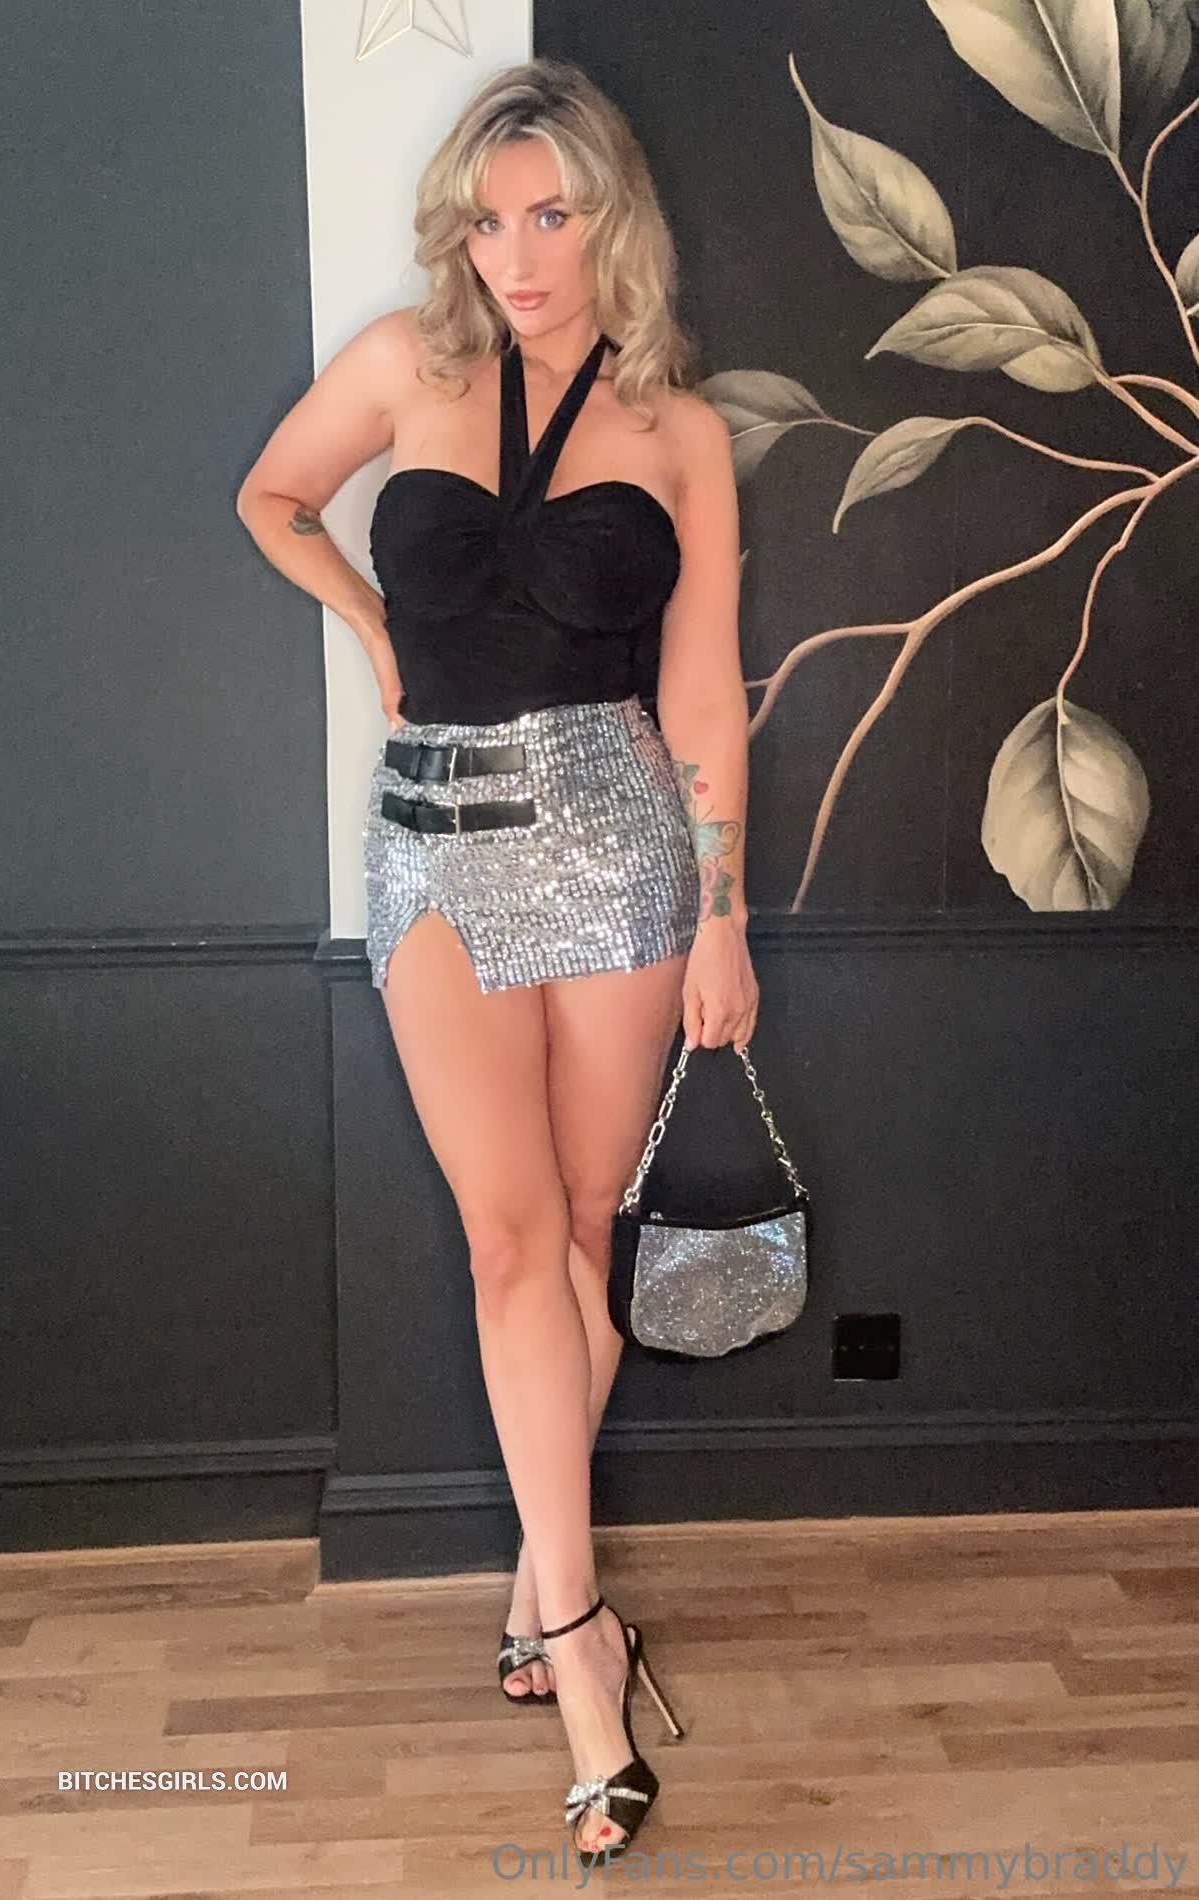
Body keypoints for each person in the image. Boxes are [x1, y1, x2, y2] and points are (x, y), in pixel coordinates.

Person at [236, 55, 759, 1862]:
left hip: (616, 848)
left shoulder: (681, 428)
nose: (517, 257)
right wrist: (372, 624)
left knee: (584, 1242)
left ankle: (541, 1585)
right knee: (508, 1241)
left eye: (551, 216)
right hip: (435, 849)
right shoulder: (405, 364)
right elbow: (271, 499)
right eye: (487, 220)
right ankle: (585, 1651)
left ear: (613, 220)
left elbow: (702, 689)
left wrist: (723, 913)